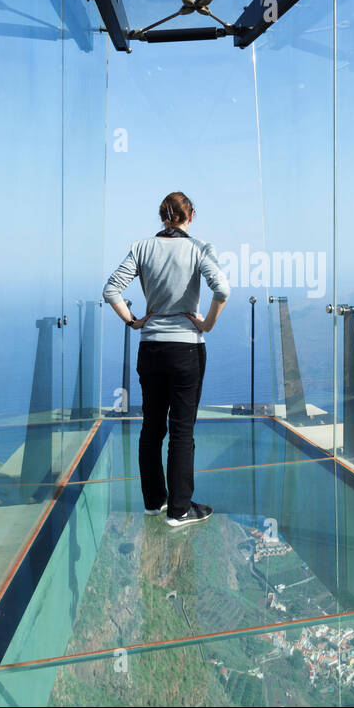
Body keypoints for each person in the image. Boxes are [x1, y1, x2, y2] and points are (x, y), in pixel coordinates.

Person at [102, 191, 230, 527]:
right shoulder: (199, 247)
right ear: (191, 215)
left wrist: (133, 320)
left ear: (162, 216)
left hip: (151, 348)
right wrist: (206, 324)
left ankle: (153, 501)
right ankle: (180, 509)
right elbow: (223, 290)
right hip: (186, 347)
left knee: (152, 427)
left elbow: (110, 290)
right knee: (182, 431)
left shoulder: (141, 247)